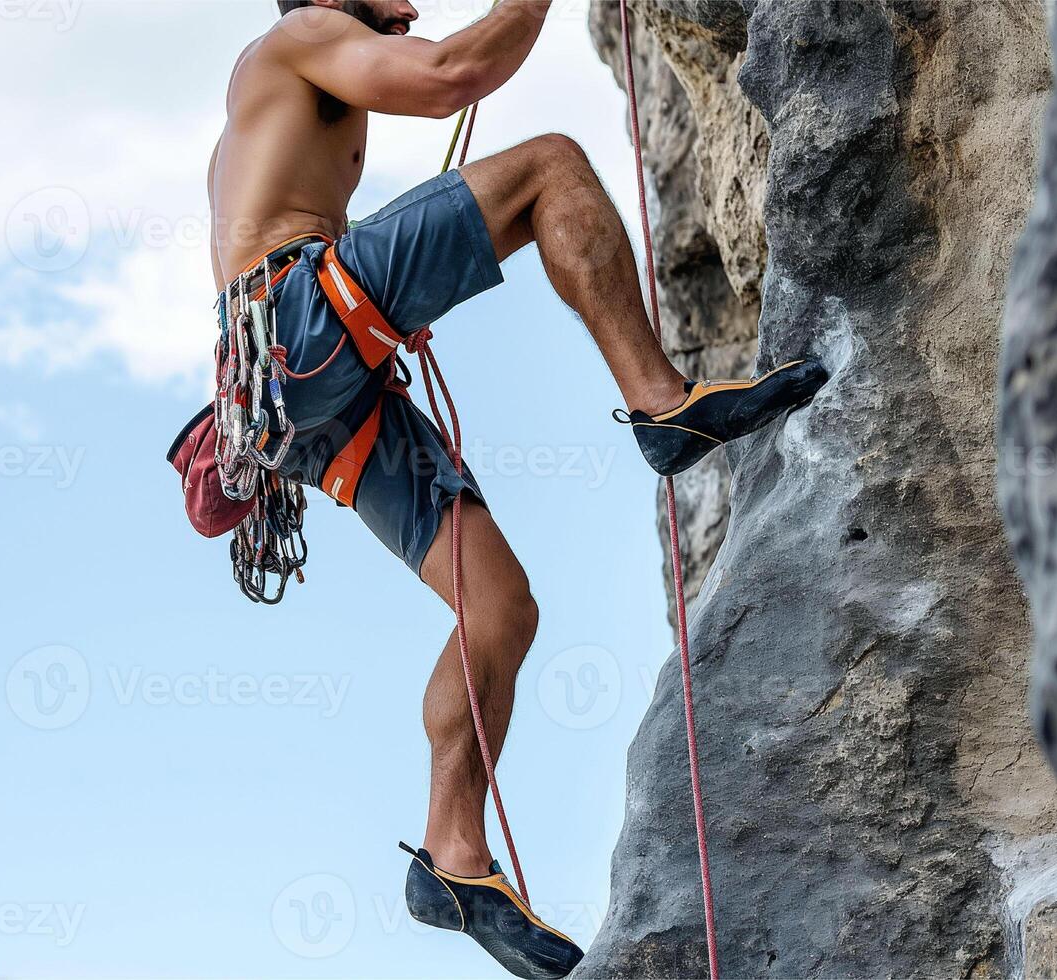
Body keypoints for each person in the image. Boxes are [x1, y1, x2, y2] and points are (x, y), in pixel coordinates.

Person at [203, 1, 826, 974]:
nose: (408, 6)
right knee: (548, 166)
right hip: (300, 320)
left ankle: (449, 856)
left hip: (299, 390)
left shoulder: (299, 79)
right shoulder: (302, 37)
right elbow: (451, 72)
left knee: (496, 607)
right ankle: (660, 401)